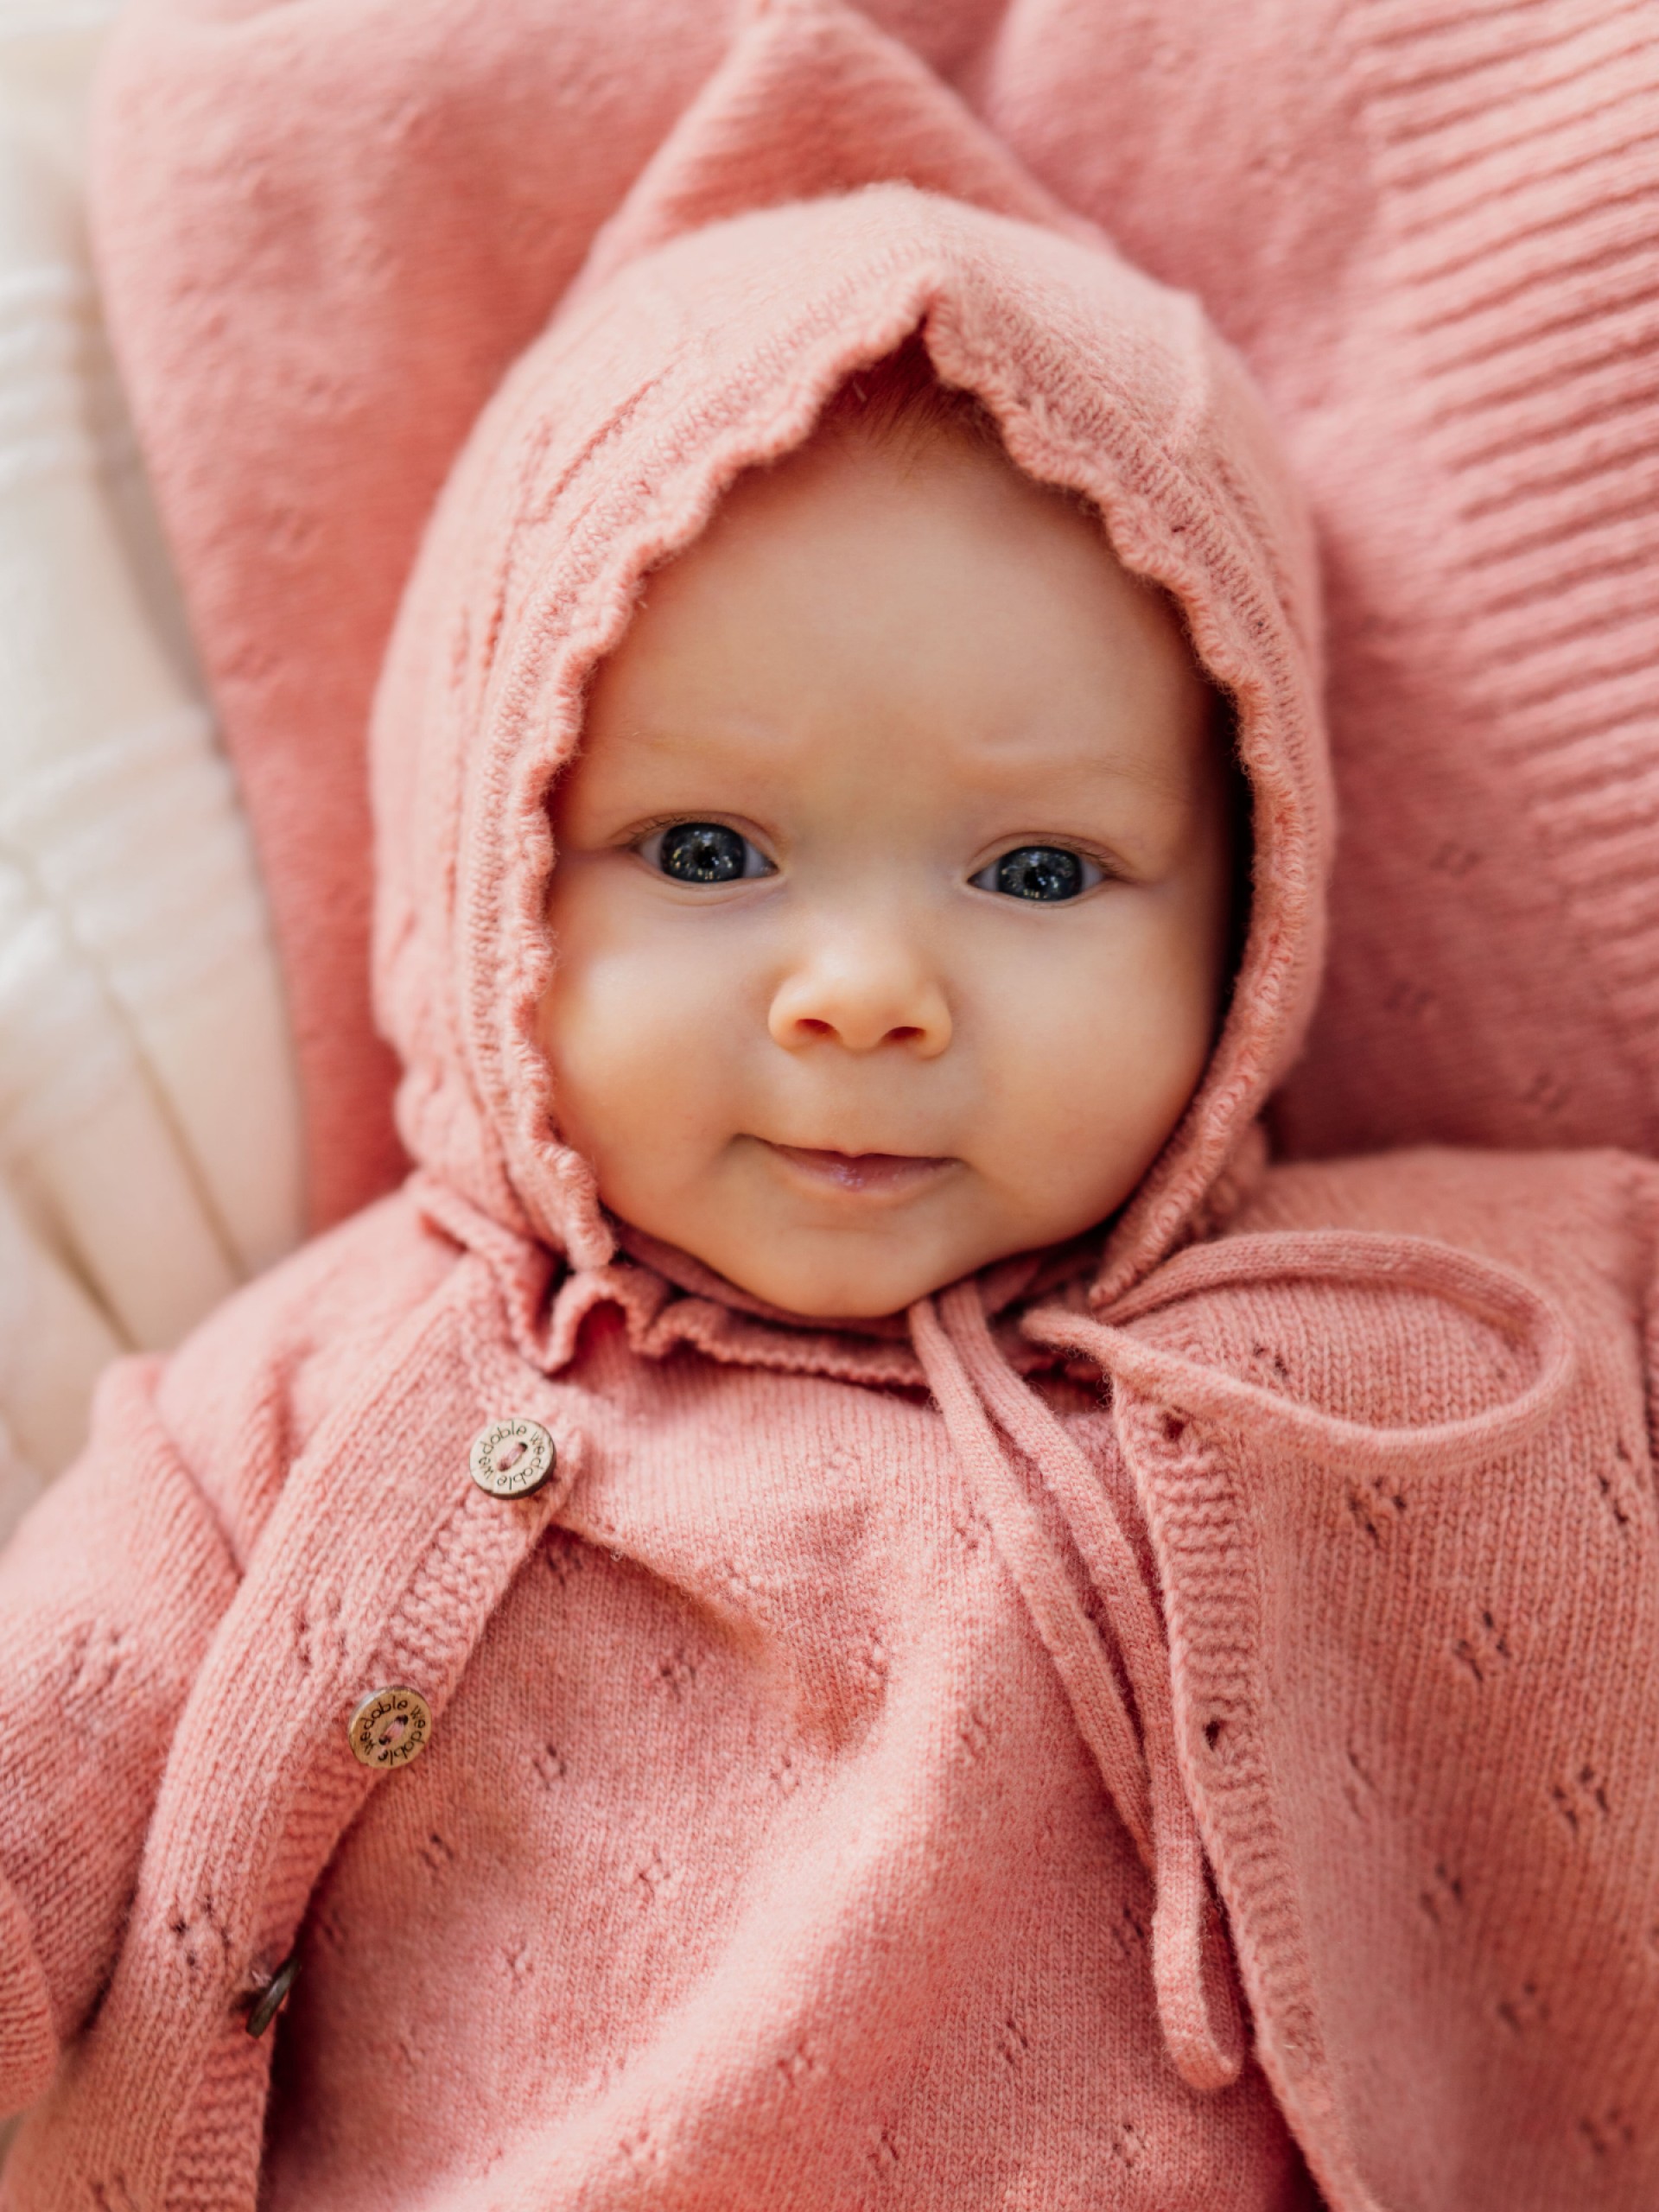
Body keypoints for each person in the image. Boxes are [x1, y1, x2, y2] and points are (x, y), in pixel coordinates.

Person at [2, 35, 1656, 2210]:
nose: (864, 991)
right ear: (486, 863)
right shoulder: (311, 1401)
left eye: (1041, 872)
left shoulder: (1456, 1354)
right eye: (704, 851)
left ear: (1256, 906)